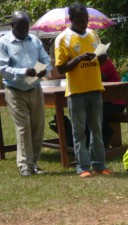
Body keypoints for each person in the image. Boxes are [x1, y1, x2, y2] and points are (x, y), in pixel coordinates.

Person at [54, 2, 113, 178]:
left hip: (95, 88)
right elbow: (61, 68)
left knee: (97, 128)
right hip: (76, 92)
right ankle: (83, 166)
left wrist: (102, 57)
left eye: (86, 20)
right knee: (79, 131)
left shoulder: (93, 35)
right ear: (71, 19)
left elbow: (99, 63)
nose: (84, 23)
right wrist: (79, 59)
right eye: (80, 20)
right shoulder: (63, 38)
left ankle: (99, 164)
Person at [0, 11, 52, 177]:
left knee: (37, 127)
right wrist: (23, 72)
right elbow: (3, 69)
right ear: (12, 26)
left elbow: (46, 60)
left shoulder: (34, 40)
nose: (24, 31)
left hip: (35, 88)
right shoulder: (4, 43)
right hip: (15, 90)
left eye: (27, 27)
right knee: (24, 128)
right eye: (21, 28)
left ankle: (34, 163)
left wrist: (44, 70)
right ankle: (24, 166)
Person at [98, 54, 125, 148]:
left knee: (94, 112)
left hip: (116, 103)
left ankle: (104, 137)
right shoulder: (100, 64)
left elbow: (97, 79)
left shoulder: (107, 64)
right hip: (107, 102)